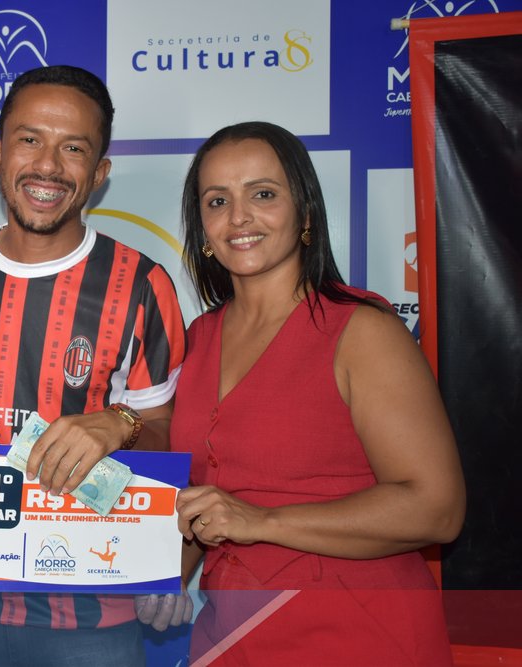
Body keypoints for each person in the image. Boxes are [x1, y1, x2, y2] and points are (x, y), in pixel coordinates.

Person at [0, 65, 190, 667]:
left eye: (73, 148)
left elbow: (167, 435)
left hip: (94, 608)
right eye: (29, 140)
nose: (48, 166)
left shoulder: (142, 284)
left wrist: (120, 423)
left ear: (99, 173)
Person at [171, 121, 466, 665]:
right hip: (229, 636)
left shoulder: (362, 330)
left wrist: (263, 521)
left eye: (263, 194)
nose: (239, 217)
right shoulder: (196, 339)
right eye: (217, 201)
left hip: (358, 635)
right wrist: (165, 578)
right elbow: (202, 498)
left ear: (306, 214)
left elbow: (436, 509)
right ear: (202, 228)